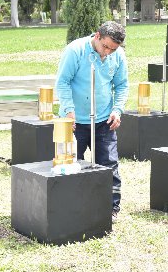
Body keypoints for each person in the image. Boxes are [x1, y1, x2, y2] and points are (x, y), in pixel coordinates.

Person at [55, 21, 128, 219]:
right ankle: (67, 208)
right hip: (74, 122)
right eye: (105, 47)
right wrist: (69, 111)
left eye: (113, 49)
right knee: (69, 166)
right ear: (97, 36)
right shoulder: (75, 50)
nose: (107, 53)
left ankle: (111, 208)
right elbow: (62, 82)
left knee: (110, 165)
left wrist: (117, 110)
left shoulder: (117, 55)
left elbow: (121, 85)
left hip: (104, 121)